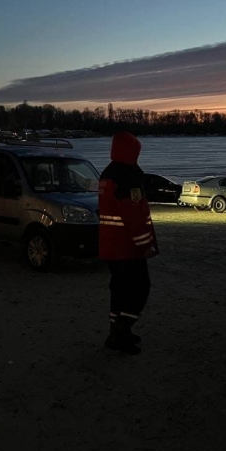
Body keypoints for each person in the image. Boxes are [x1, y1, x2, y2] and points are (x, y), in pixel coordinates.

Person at [98, 132, 158, 354]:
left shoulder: (108, 174)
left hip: (110, 246)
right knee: (139, 289)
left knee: (120, 291)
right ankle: (120, 333)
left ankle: (118, 330)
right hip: (127, 248)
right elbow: (133, 215)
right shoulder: (127, 177)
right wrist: (145, 245)